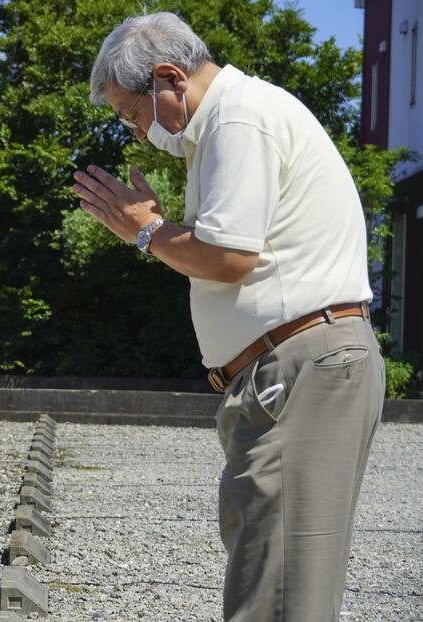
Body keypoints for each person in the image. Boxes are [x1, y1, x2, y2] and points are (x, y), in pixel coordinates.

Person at [73, 11, 385, 622]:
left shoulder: (238, 117)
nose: (138, 134)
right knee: (276, 577)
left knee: (278, 591)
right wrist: (156, 232)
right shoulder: (235, 119)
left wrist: (148, 231)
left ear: (168, 79)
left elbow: (228, 256)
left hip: (302, 363)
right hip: (296, 365)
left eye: (133, 115)